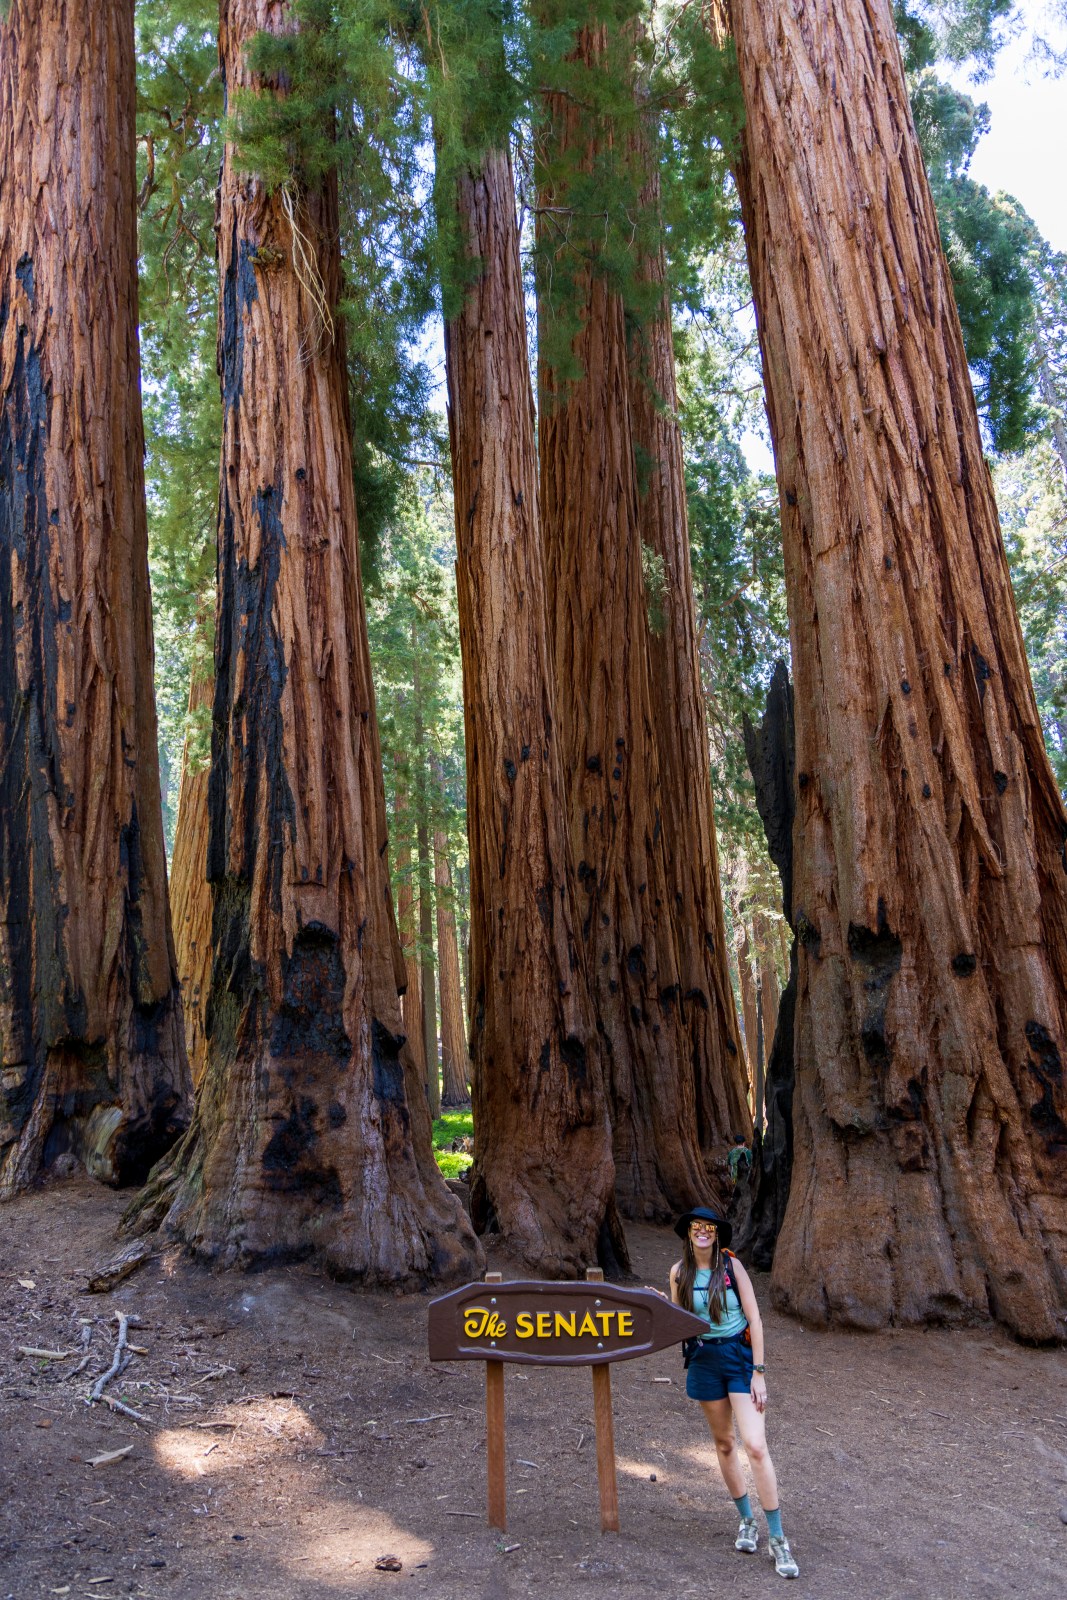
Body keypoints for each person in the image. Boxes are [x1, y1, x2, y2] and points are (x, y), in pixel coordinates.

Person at [670, 1205, 799, 1579]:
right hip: (705, 1359)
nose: (702, 1232)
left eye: (708, 1227)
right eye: (696, 1227)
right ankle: (747, 1521)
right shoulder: (679, 1273)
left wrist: (759, 1372)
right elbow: (679, 1323)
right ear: (688, 1233)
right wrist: (659, 1307)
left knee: (756, 1446)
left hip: (740, 1357)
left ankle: (778, 1538)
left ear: (717, 1233)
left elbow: (755, 1317)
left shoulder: (732, 1267)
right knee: (725, 1444)